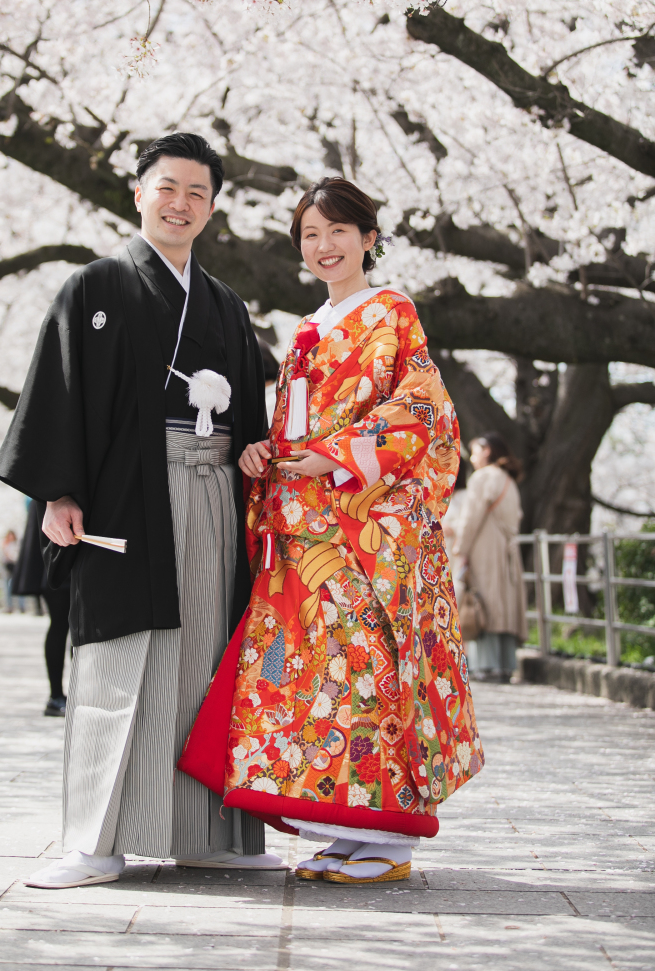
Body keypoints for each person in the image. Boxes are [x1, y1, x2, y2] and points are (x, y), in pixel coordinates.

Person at [0, 131, 282, 889]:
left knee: (205, 659)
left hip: (212, 496)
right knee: (118, 664)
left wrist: (254, 459)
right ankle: (95, 841)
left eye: (197, 192)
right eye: (168, 187)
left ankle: (204, 835)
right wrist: (58, 491)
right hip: (129, 497)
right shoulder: (95, 287)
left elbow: (251, 409)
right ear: (139, 192)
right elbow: (59, 393)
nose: (180, 203)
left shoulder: (225, 304)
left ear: (213, 208)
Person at [181, 177, 483, 885]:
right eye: (310, 236)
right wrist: (265, 453)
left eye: (338, 232)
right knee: (323, 681)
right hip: (307, 522)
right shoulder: (312, 325)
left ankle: (392, 840)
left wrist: (335, 455)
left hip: (364, 528)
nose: (324, 247)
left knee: (370, 670)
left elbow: (423, 411)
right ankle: (349, 830)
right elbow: (295, 428)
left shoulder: (392, 313)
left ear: (369, 238)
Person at [454, 433, 525, 683]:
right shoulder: (507, 478)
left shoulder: (483, 477)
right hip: (505, 546)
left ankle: (486, 664)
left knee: (484, 601)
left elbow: (470, 518)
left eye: (474, 451)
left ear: (486, 451)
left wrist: (461, 550)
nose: (472, 458)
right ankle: (506, 663)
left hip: (485, 546)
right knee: (503, 603)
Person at [13, 501, 71, 716]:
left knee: (67, 626)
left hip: (60, 545)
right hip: (54, 546)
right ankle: (57, 695)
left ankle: (64, 695)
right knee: (62, 624)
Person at [2, 530, 20, 611]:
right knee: (8, 587)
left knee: (17, 585)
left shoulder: (17, 545)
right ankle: (9, 606)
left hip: (15, 566)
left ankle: (20, 606)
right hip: (8, 567)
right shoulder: (5, 545)